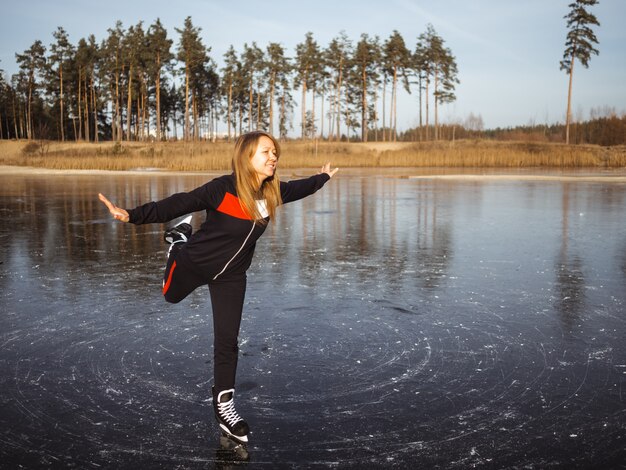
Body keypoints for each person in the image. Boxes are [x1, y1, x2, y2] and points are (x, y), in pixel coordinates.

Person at [98, 131, 338, 444]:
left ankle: (224, 404)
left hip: (232, 276)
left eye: (275, 152)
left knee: (227, 341)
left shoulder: (273, 192)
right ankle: (178, 244)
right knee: (170, 297)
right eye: (265, 152)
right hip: (195, 264)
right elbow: (179, 202)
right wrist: (132, 215)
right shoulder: (222, 189)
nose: (273, 157)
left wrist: (321, 178)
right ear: (246, 157)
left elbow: (300, 188)